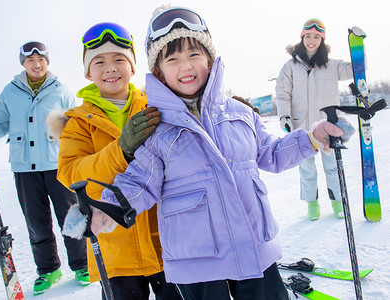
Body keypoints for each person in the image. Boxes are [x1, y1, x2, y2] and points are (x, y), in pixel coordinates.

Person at [84, 6, 351, 300]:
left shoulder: (239, 114)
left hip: (255, 253)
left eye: (194, 55)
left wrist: (313, 137)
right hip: (198, 268)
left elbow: (272, 153)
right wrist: (104, 210)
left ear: (210, 61)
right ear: (159, 72)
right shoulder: (157, 130)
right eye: (173, 59)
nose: (185, 66)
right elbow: (138, 182)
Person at [49, 23, 181, 300]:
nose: (110, 68)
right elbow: (72, 175)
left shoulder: (156, 105)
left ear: (132, 67)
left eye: (119, 59)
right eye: (99, 62)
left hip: (169, 243)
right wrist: (120, 150)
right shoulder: (77, 123)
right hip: (116, 252)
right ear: (88, 71)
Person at [0, 41, 89, 295]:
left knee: (70, 216)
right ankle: (49, 270)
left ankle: (82, 265)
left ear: (47, 62)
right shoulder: (10, 92)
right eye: (30, 60)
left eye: (40, 60)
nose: (36, 64)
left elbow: (75, 123)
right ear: (23, 63)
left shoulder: (60, 90)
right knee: (36, 221)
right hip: (24, 168)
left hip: (56, 164)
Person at [275, 19, 354, 221]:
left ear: (322, 39)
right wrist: (284, 116)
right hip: (302, 126)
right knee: (307, 167)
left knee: (332, 165)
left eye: (317, 37)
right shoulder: (290, 66)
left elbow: (356, 69)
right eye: (308, 36)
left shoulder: (333, 65)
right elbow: (282, 93)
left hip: (328, 125)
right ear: (302, 37)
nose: (312, 40)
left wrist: (357, 46)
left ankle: (338, 202)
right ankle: (312, 204)